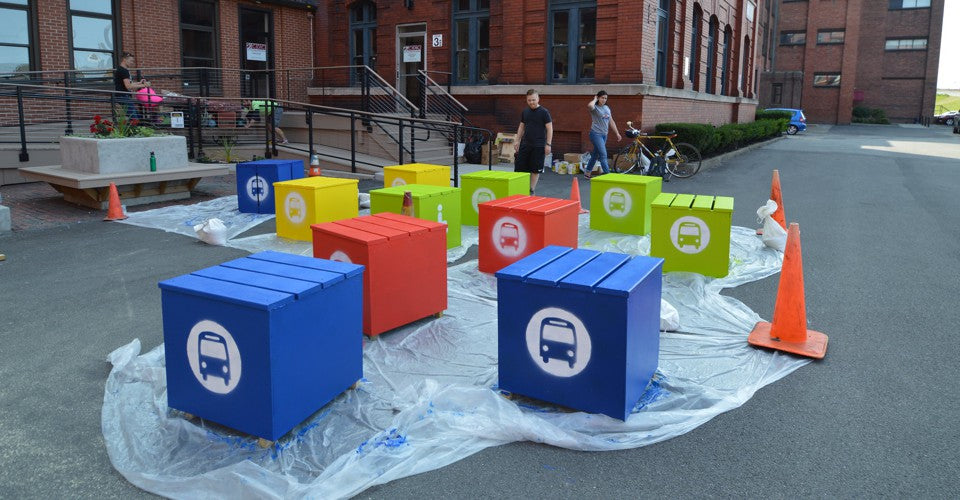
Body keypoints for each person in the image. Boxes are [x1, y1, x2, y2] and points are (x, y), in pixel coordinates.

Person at [514, 89, 553, 195]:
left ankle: (531, 190)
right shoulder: (525, 112)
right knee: (520, 168)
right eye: (529, 100)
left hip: (539, 145)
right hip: (525, 144)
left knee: (535, 169)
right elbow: (521, 126)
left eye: (533, 100)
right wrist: (517, 140)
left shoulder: (544, 112)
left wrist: (548, 144)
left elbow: (550, 128)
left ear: (538, 99)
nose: (531, 102)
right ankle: (520, 189)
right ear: (526, 100)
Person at [583, 90, 621, 179]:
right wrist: (594, 99)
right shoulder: (595, 108)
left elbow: (611, 121)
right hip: (595, 134)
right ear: (598, 98)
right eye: (602, 98)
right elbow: (589, 105)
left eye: (605, 98)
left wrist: (617, 133)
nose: (604, 100)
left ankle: (587, 173)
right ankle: (608, 175)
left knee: (595, 155)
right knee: (603, 155)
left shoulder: (607, 108)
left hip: (604, 135)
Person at [113, 52, 150, 120]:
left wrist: (139, 83)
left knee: (136, 117)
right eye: (131, 61)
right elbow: (128, 86)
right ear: (124, 60)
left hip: (124, 96)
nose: (132, 62)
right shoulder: (123, 71)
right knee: (134, 118)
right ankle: (133, 130)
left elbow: (129, 84)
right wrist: (143, 85)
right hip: (123, 96)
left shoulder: (123, 70)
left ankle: (133, 129)